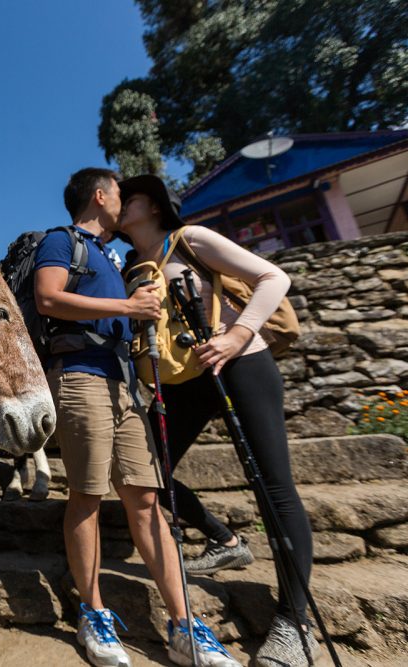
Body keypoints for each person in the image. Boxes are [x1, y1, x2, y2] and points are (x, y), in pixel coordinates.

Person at [34, 168, 240, 667]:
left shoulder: (111, 255)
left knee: (145, 498)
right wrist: (127, 305)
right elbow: (48, 297)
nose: (123, 202)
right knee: (85, 494)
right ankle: (94, 613)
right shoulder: (62, 241)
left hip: (126, 385)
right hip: (80, 375)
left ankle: (184, 623)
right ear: (100, 195)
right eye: (119, 194)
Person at [117, 174, 319, 667]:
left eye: (131, 196)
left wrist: (237, 335)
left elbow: (274, 277)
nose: (122, 202)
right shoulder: (130, 267)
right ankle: (225, 539)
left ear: (154, 207)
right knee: (152, 477)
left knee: (273, 485)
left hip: (240, 363)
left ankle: (296, 622)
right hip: (181, 384)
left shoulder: (193, 239)